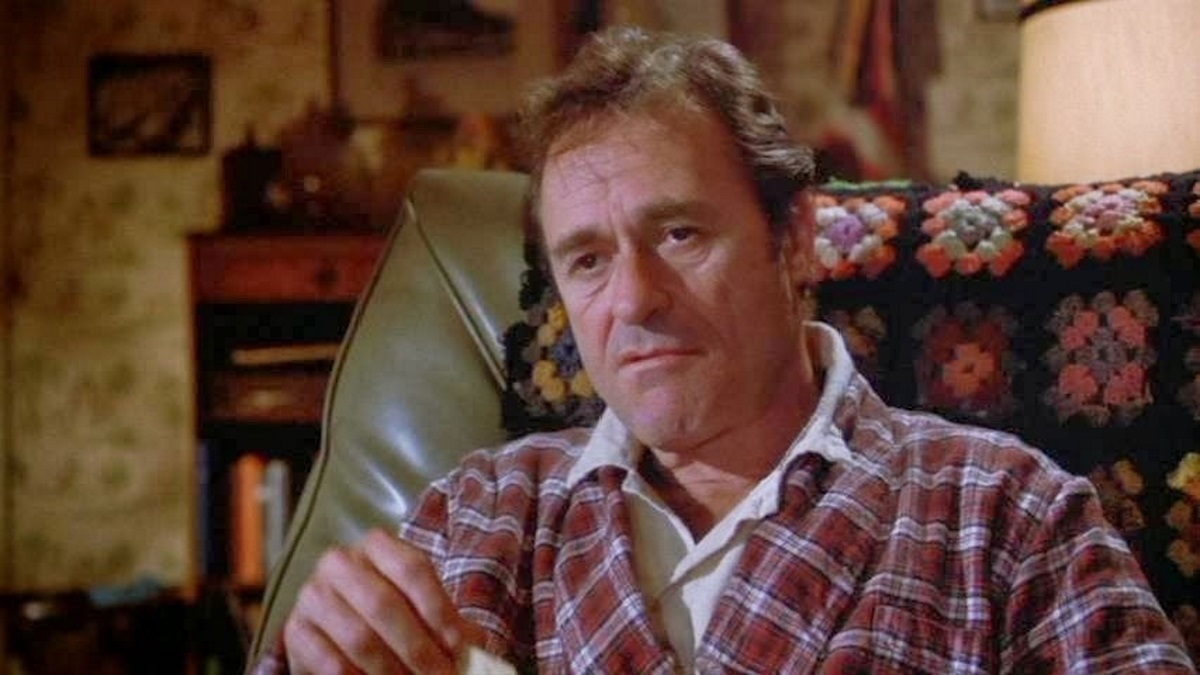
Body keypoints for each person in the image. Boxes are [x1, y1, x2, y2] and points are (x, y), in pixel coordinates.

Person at [259, 27, 1195, 674]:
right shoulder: (478, 514)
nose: (634, 299)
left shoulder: (1011, 517)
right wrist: (317, 648)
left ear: (793, 240)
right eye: (587, 259)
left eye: (679, 235)